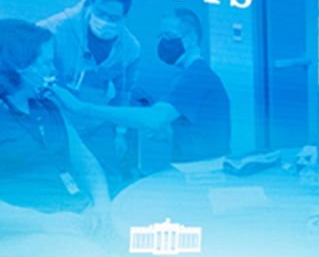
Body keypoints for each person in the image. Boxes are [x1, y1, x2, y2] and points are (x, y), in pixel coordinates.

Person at [52, 10, 231, 165]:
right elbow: (203, 130)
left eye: (168, 35)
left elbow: (156, 118)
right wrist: (170, 133)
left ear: (191, 38)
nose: (162, 42)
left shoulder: (195, 75)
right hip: (199, 166)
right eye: (160, 36)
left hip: (203, 171)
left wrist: (83, 108)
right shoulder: (192, 75)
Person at [0, 19, 111, 236]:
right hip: (29, 230)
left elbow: (86, 162)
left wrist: (102, 204)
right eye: (46, 63)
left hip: (78, 215)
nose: (53, 69)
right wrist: (42, 224)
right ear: (18, 67)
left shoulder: (47, 105)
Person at [39, 0, 141, 185]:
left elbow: (124, 92)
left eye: (113, 17)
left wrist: (120, 133)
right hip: (57, 119)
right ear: (92, 5)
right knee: (58, 180)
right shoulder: (54, 29)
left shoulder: (130, 48)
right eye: (101, 13)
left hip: (96, 122)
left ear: (124, 18)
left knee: (110, 177)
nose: (105, 21)